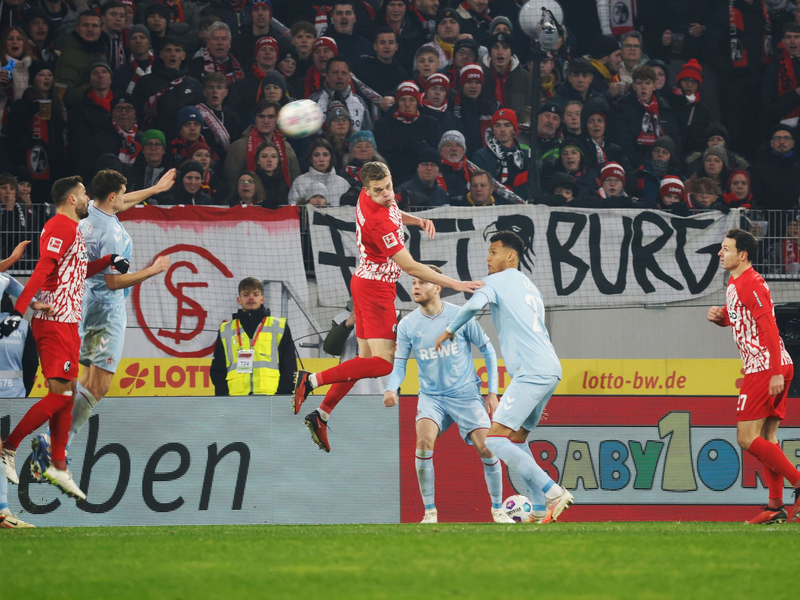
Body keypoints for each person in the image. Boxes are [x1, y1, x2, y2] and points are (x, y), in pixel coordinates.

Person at [291, 161, 483, 453]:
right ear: (368, 190)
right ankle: (312, 379)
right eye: (379, 190)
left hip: (364, 281)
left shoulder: (371, 197)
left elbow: (393, 211)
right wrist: (455, 284)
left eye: (389, 187)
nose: (386, 194)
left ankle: (323, 413)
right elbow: (411, 266)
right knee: (383, 364)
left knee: (363, 361)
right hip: (376, 291)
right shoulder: (378, 221)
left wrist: (416, 221)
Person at [29, 169, 174, 479]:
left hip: (85, 306)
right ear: (111, 196)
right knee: (101, 384)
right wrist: (153, 270)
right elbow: (112, 282)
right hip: (108, 310)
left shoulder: (90, 213)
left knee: (81, 380)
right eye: (121, 194)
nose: (123, 200)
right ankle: (56, 443)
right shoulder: (109, 233)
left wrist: (155, 189)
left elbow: (122, 203)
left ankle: (55, 442)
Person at [433, 231, 574, 524]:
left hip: (532, 371)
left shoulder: (496, 281)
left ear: (510, 257)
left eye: (494, 252)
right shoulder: (530, 287)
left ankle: (553, 491)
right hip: (548, 368)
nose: (488, 257)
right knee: (518, 438)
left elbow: (472, 306)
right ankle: (537, 509)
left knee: (495, 440)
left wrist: (449, 330)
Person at [0, 175, 124, 501]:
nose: (88, 199)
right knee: (58, 396)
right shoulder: (59, 227)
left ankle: (57, 465)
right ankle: (8, 448)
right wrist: (20, 308)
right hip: (53, 321)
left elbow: (79, 270)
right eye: (84, 194)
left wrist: (110, 261)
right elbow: (43, 268)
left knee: (68, 396)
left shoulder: (74, 232)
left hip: (70, 323)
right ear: (72, 199)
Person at [382, 264, 512, 524]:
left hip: (466, 395)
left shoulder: (461, 315)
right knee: (423, 442)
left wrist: (492, 392)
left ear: (437, 286)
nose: (416, 286)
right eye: (414, 283)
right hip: (432, 398)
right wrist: (390, 387)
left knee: (487, 447)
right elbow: (399, 365)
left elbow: (488, 350)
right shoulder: (408, 325)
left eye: (422, 282)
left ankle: (498, 510)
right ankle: (430, 512)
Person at [708, 228, 800, 524]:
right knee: (767, 437)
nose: (720, 253)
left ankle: (798, 482)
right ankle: (775, 506)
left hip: (764, 367)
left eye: (725, 248)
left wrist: (773, 372)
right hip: (771, 364)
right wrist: (722, 317)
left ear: (742, 254)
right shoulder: (737, 283)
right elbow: (742, 319)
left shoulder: (750, 284)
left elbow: (769, 328)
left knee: (746, 438)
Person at [210, 277, 296, 396]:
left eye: (255, 294)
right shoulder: (226, 329)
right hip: (235, 399)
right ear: (239, 300)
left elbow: (289, 366)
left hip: (270, 398)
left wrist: (281, 397)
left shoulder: (279, 326)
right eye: (246, 294)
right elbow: (218, 369)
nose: (251, 298)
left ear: (262, 299)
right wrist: (224, 399)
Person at [288, 138, 351, 207]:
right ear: (310, 158)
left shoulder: (343, 183)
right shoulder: (299, 182)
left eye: (325, 155)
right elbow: (293, 209)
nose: (321, 159)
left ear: (331, 157)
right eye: (316, 155)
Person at [254, 141, 290, 208]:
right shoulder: (252, 181)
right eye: (264, 156)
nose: (269, 160)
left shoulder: (284, 184)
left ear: (278, 160)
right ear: (257, 160)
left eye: (273, 156)